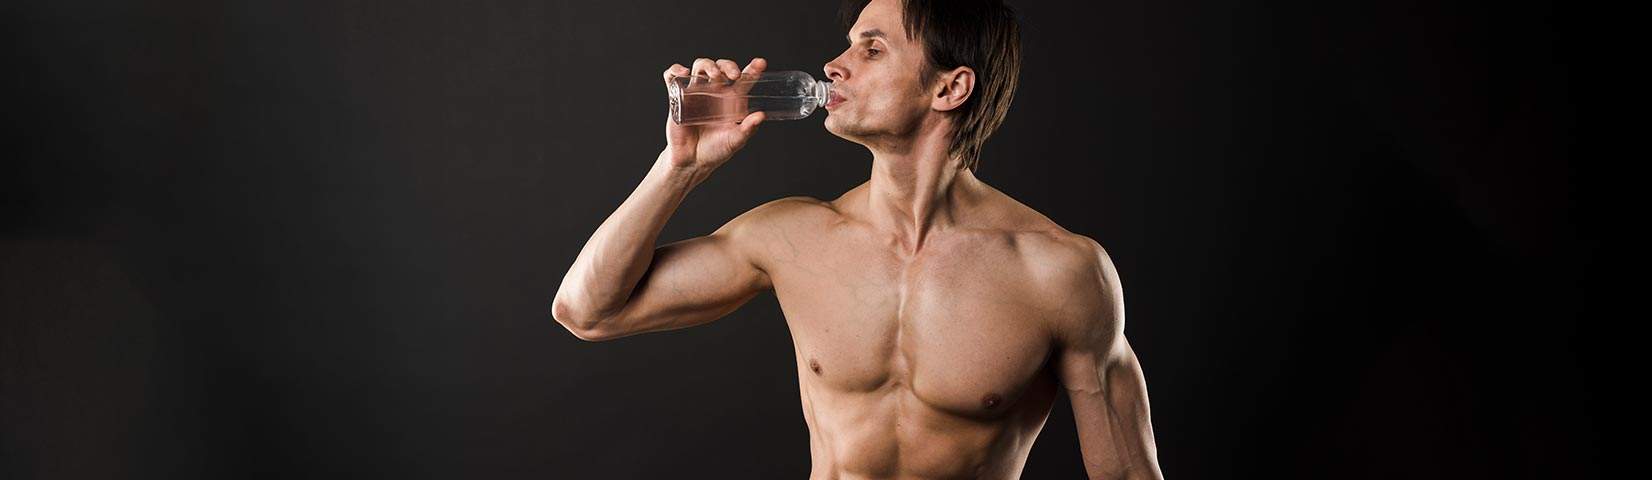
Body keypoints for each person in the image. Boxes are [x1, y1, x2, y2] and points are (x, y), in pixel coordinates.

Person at [552, 0, 1163, 478]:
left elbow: (1129, 472)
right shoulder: (793, 236)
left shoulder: (1059, 272)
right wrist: (680, 166)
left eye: (872, 50)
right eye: (848, 45)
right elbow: (587, 311)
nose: (834, 65)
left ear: (949, 89)